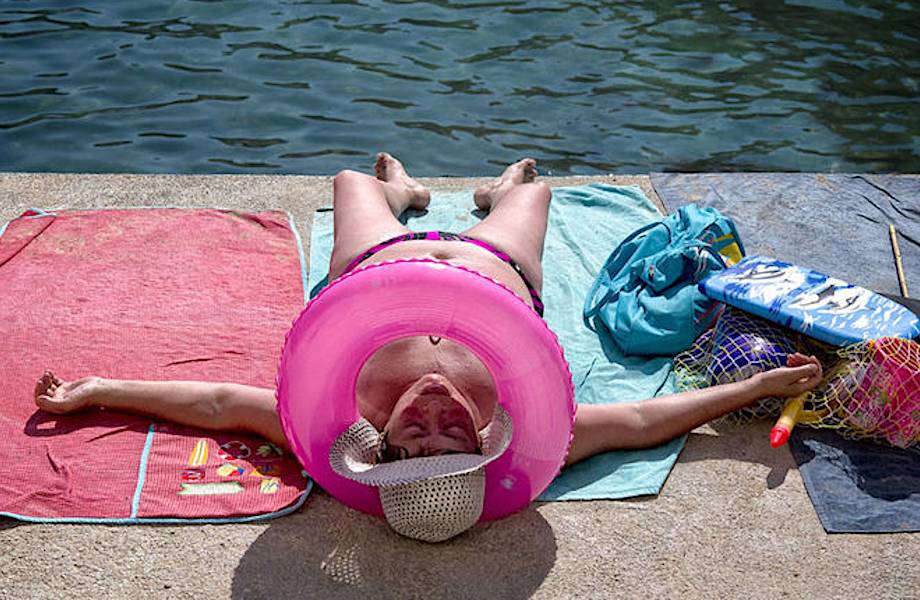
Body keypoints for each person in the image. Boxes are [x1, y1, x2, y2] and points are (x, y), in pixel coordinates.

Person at [32, 154, 824, 469]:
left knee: (351, 181)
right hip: (495, 270)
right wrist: (754, 388)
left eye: (417, 434)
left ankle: (402, 192)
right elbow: (646, 421)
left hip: (377, 267)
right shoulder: (533, 427)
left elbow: (215, 403)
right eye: (453, 433)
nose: (436, 412)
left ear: (382, 442)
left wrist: (100, 390)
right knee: (536, 191)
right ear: (482, 439)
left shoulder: (338, 416)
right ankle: (495, 194)